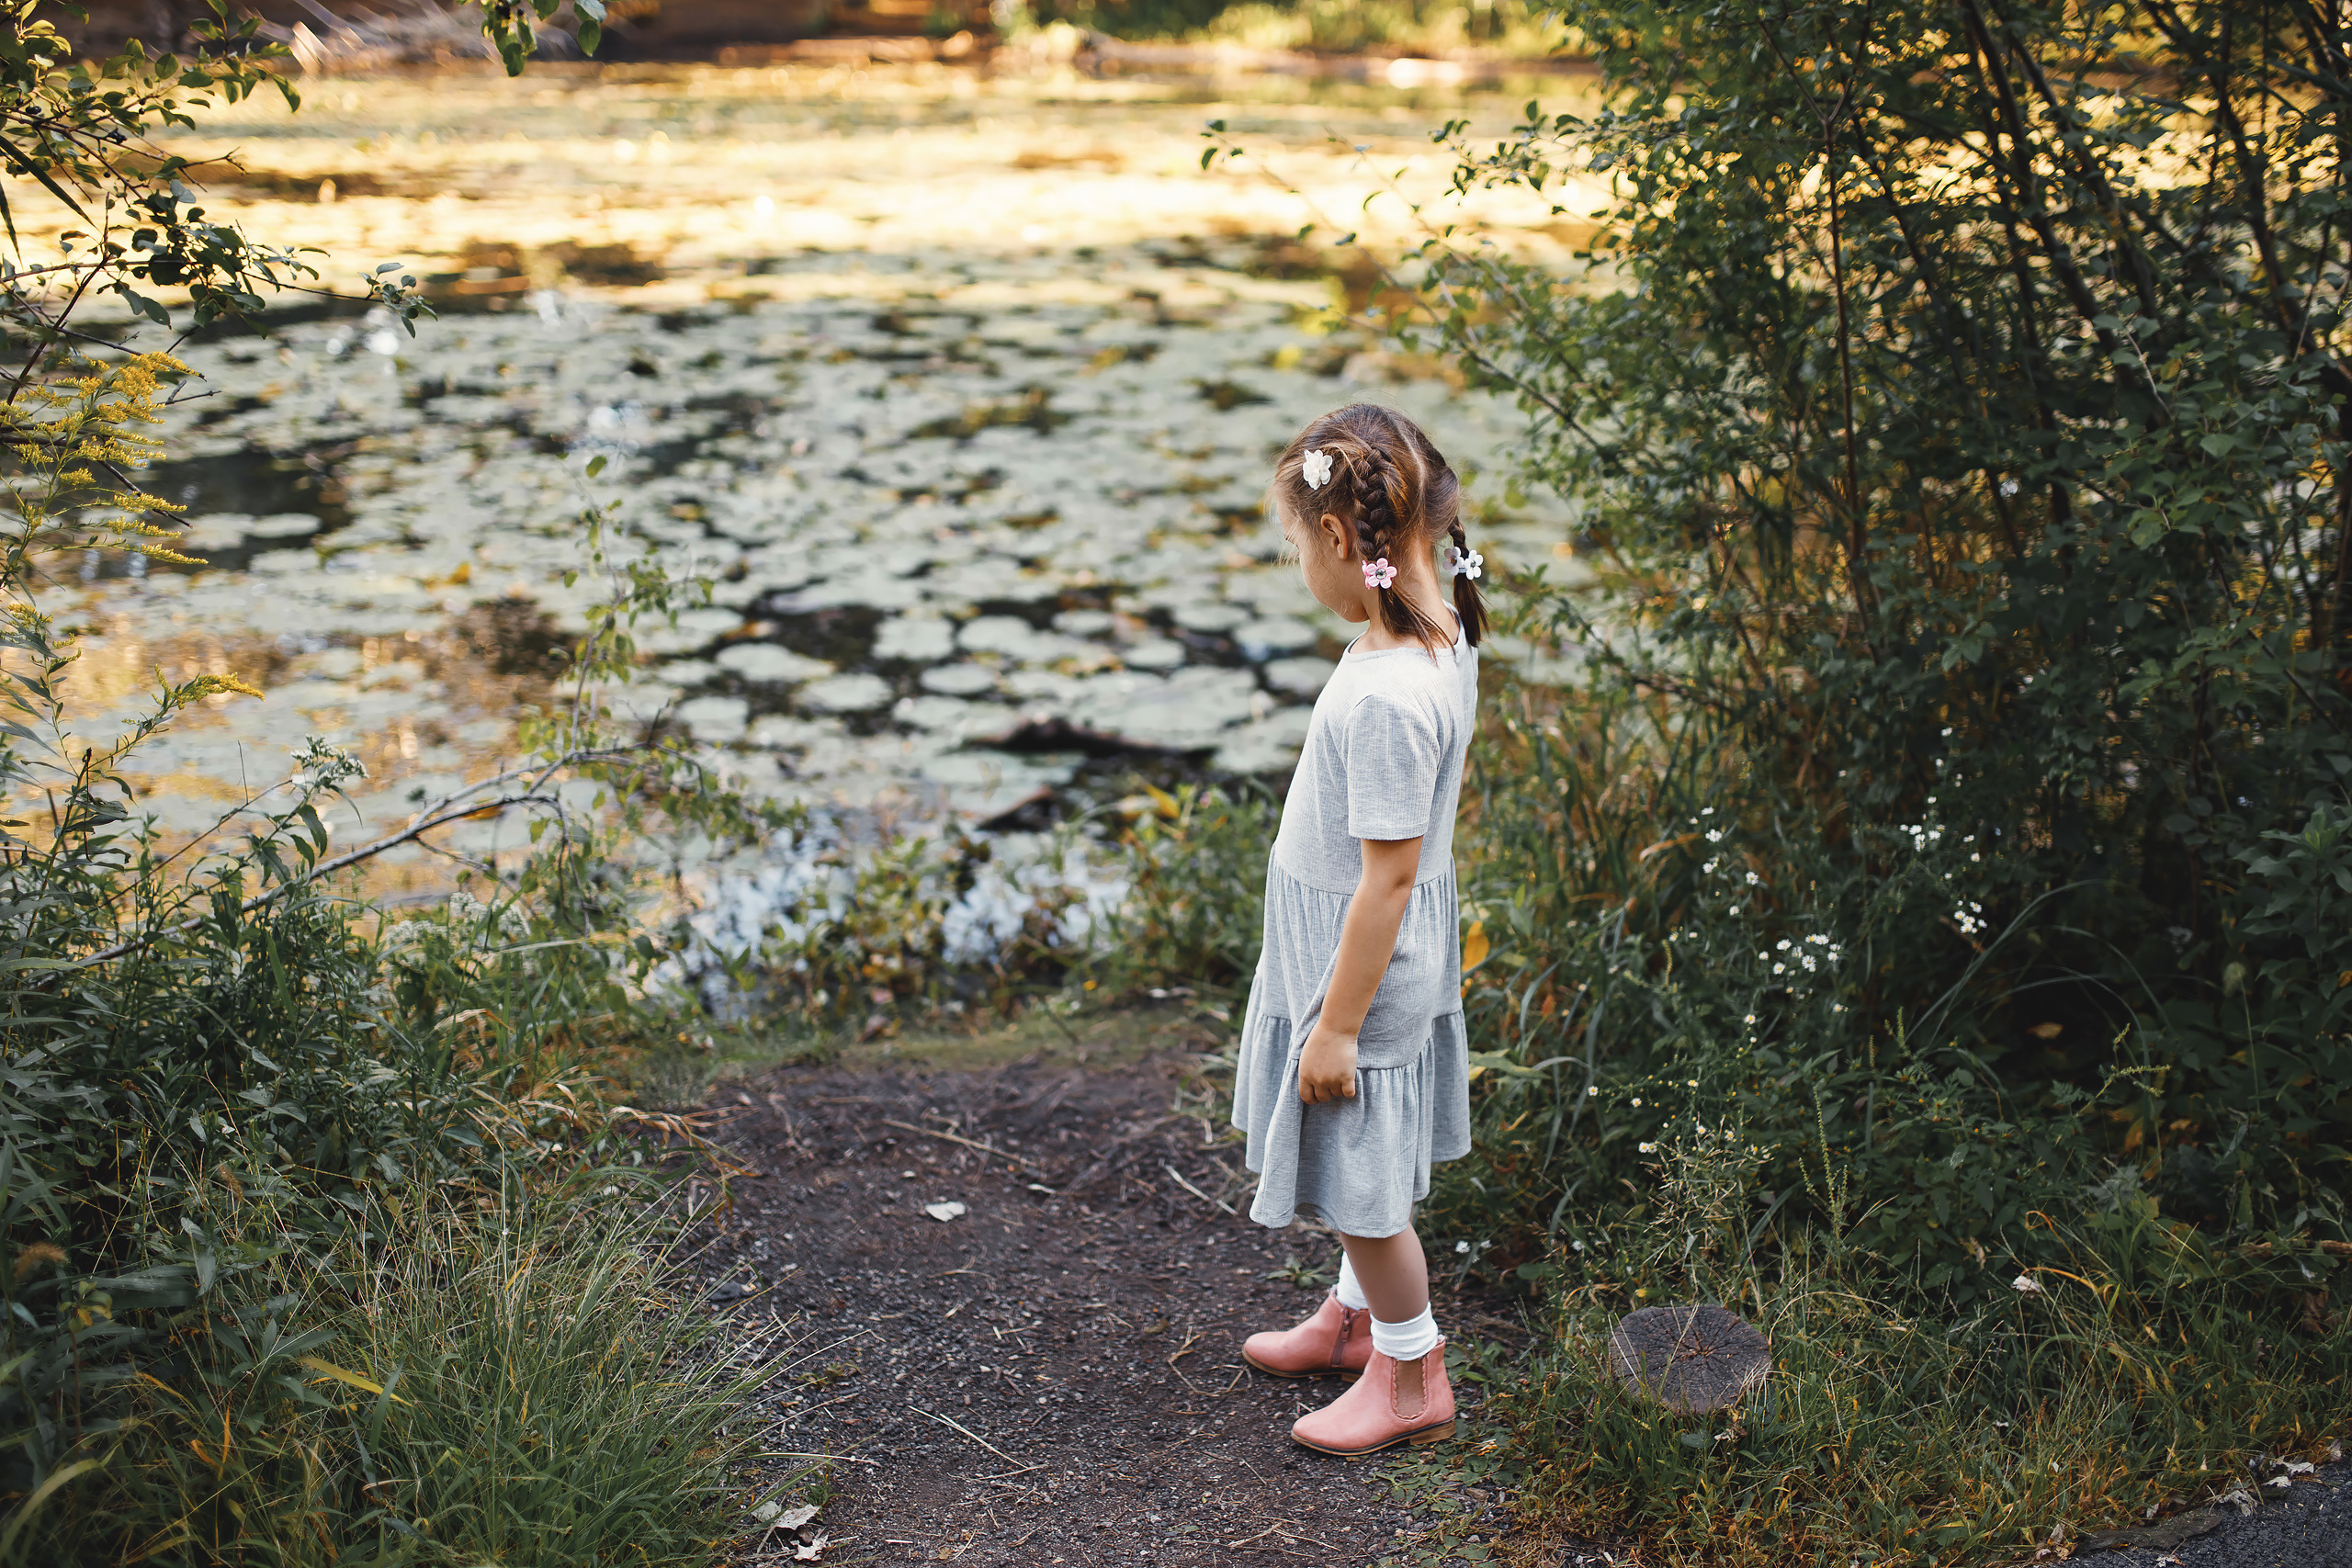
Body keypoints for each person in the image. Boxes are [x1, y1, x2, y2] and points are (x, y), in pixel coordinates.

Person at [1230, 402, 1487, 1456]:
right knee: (1354, 1173)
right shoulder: (1440, 617)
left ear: (1341, 538)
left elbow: (1386, 880)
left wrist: (1333, 1028)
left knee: (1365, 1195)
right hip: (1354, 950)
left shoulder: (1388, 691)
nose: (1300, 564)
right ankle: (1352, 1323)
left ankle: (1411, 1369)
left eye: (1295, 543)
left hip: (1361, 969)